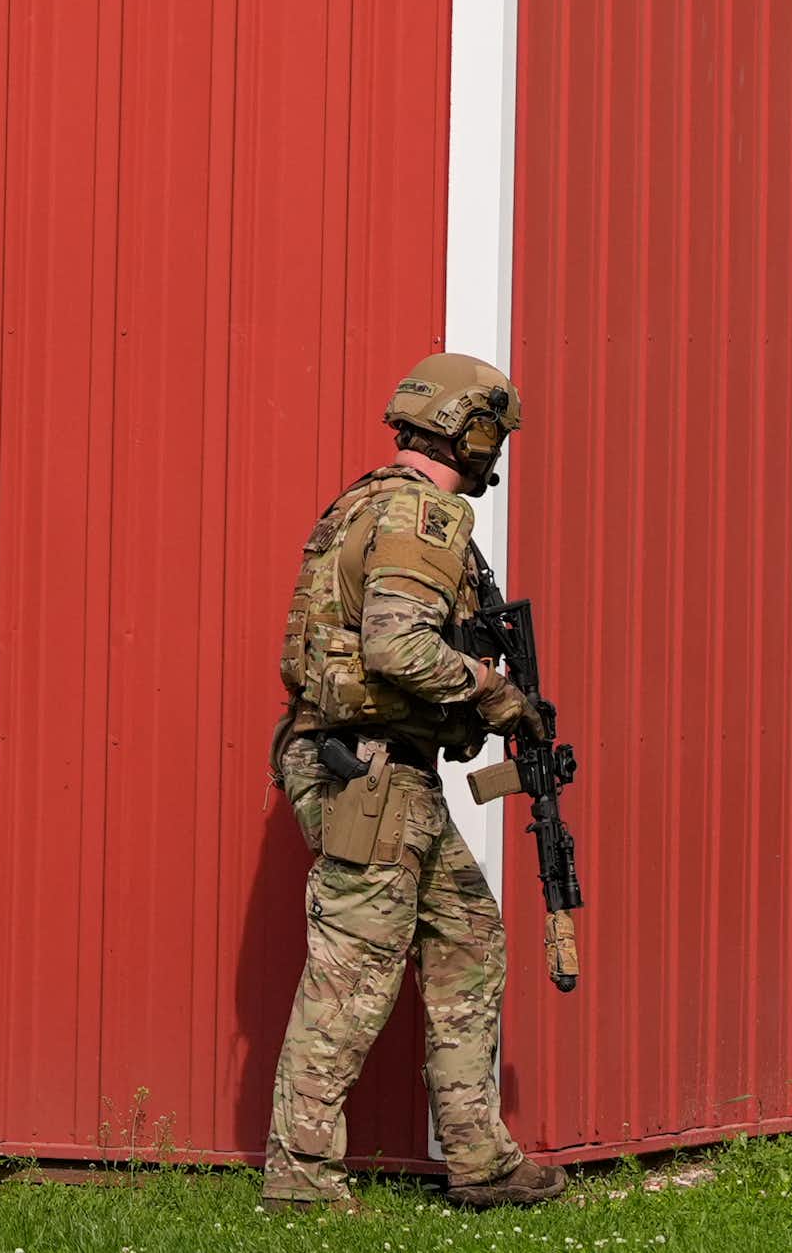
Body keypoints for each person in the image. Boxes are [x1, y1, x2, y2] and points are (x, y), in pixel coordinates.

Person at [262, 353, 569, 1212]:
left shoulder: (368, 500)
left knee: (468, 942)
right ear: (467, 430)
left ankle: (482, 1159)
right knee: (351, 976)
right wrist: (498, 694)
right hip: (372, 775)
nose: (495, 452)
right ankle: (301, 1178)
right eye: (493, 433)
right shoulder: (419, 514)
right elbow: (399, 648)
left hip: (390, 772)